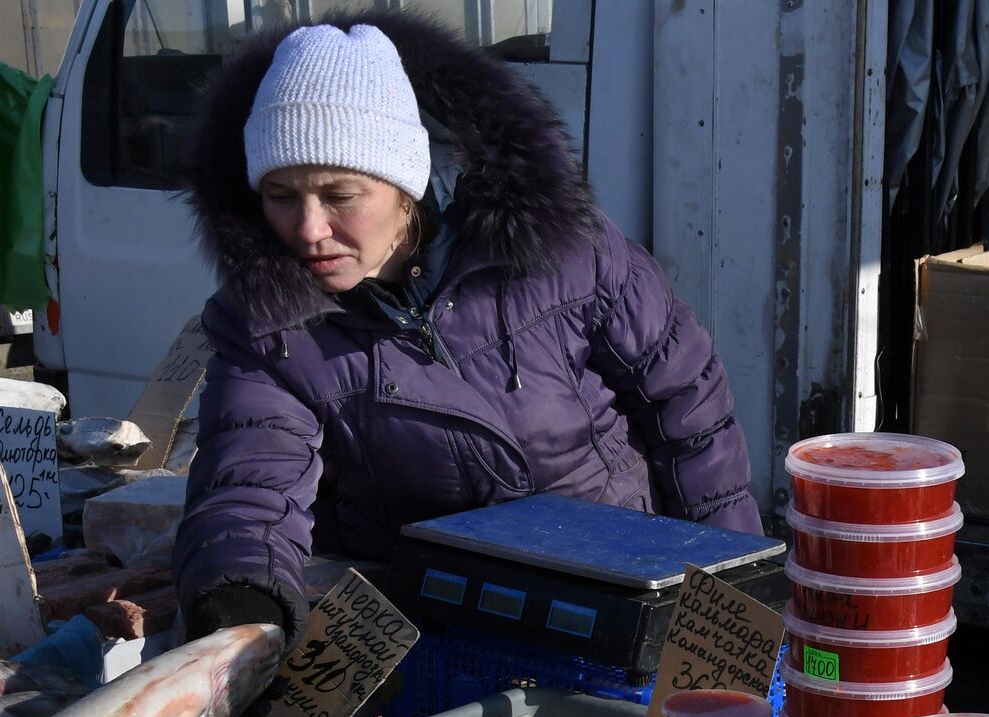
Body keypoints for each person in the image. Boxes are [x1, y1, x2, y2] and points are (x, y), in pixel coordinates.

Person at [173, 13, 762, 645]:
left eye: (339, 194)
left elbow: (692, 420)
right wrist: (241, 604)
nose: (310, 228)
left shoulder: (564, 253)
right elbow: (250, 486)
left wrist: (733, 597)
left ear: (405, 185)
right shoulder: (267, 325)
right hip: (431, 623)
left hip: (618, 598)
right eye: (281, 195)